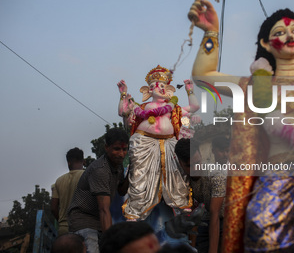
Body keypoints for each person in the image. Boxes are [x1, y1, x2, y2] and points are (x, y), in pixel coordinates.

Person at [188, 0, 294, 252]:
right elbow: (203, 78)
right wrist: (211, 33)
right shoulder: (253, 85)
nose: (289, 35)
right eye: (279, 32)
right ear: (266, 44)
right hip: (277, 178)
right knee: (260, 228)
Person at [117, 65, 200, 221]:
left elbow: (195, 106)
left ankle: (183, 208)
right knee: (139, 177)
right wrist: (123, 93)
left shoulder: (173, 108)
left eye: (163, 86)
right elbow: (123, 112)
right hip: (144, 143)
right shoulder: (140, 107)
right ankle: (135, 213)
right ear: (148, 91)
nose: (160, 88)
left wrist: (189, 90)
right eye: (156, 85)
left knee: (177, 175)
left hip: (169, 143)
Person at [68, 128, 129, 253]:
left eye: (124, 149)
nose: (121, 154)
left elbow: (122, 191)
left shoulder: (118, 166)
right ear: (107, 147)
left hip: (98, 221)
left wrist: (131, 173)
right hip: (84, 221)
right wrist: (110, 243)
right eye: (117, 149)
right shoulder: (100, 170)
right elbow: (103, 209)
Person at [175, 138, 228, 253]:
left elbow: (215, 215)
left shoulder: (216, 175)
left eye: (197, 163)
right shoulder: (181, 177)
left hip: (225, 219)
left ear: (200, 156)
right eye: (189, 166)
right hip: (205, 219)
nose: (195, 169)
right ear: (180, 163)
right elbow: (192, 213)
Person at [51, 147, 85, 236]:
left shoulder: (59, 181)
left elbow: (53, 208)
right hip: (83, 227)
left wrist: (62, 222)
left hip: (64, 230)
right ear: (83, 161)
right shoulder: (87, 175)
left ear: (68, 162)